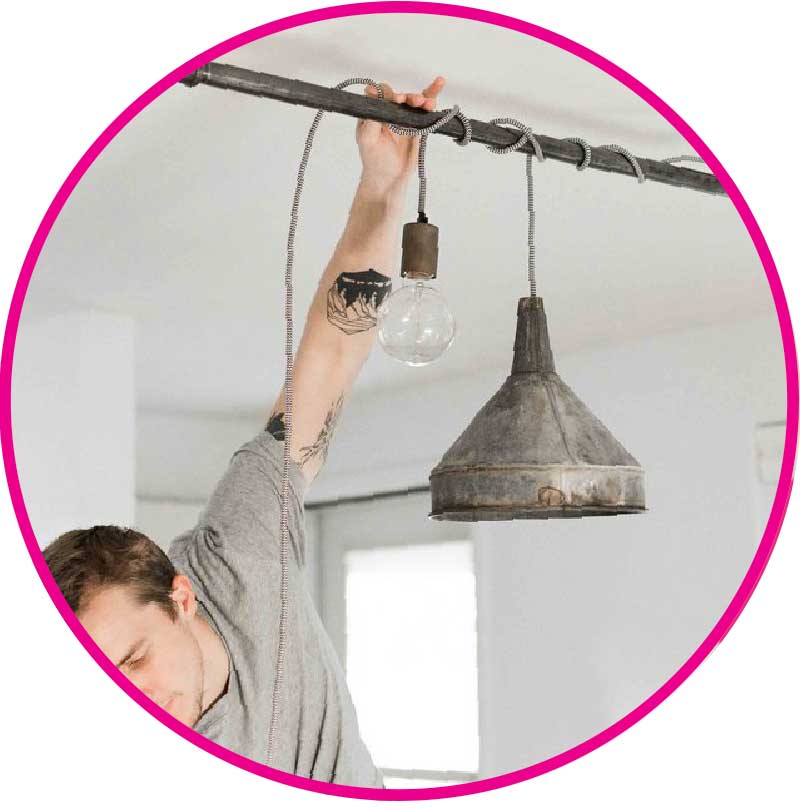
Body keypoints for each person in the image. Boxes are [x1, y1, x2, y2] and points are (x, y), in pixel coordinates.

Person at [42, 75, 446, 787]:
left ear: (182, 595)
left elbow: (328, 361)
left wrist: (380, 189)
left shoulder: (240, 557)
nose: (132, 700)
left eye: (134, 659)